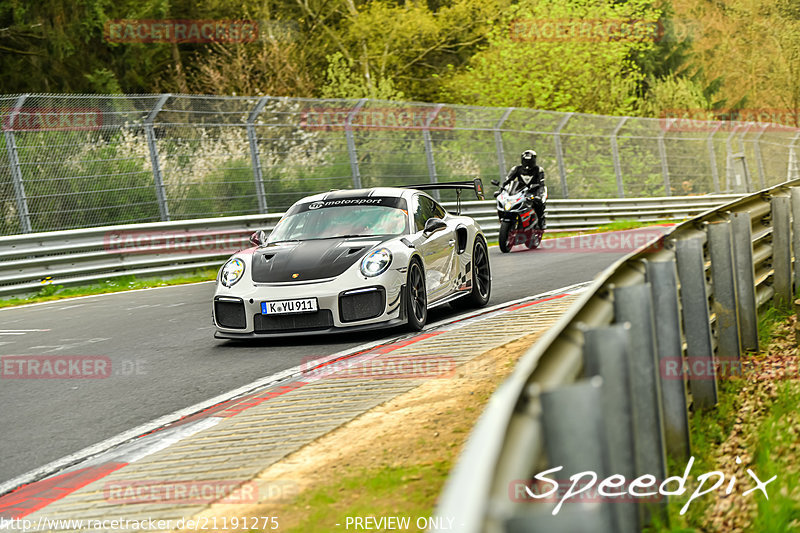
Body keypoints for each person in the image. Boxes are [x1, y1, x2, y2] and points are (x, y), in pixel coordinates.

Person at [502, 149, 547, 229]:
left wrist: (539, 195)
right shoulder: (516, 169)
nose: (527, 163)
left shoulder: (539, 170)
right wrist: (502, 190)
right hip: (519, 191)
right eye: (525, 161)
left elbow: (541, 184)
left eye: (529, 161)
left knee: (539, 203)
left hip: (534, 191)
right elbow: (507, 180)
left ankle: (541, 220)